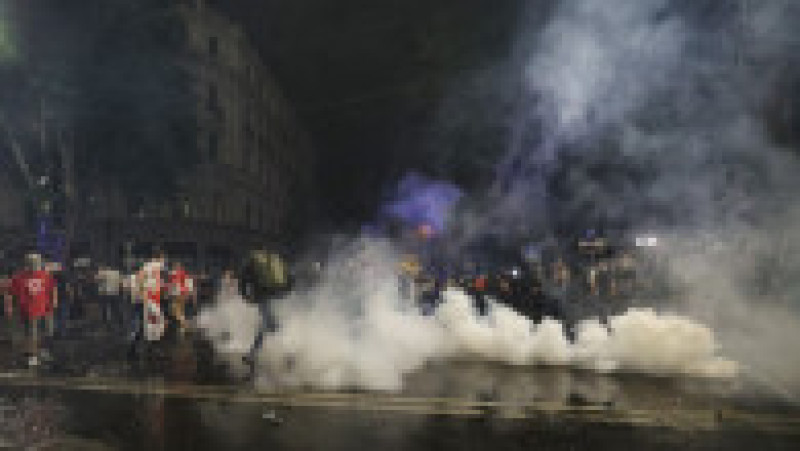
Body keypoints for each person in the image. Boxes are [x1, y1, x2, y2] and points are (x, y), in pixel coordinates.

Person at [9, 253, 58, 367]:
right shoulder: (19, 277)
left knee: (47, 331)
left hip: (45, 308)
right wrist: (11, 306)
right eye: (32, 262)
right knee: (32, 333)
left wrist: (54, 301)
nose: (34, 265)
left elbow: (53, 288)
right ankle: (32, 356)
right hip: (29, 310)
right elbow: (12, 292)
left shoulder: (45, 275)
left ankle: (44, 352)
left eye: (35, 262)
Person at [167, 262, 194, 333]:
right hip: (183, 295)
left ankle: (185, 325)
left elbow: (172, 286)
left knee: (175, 311)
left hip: (178, 295)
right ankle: (184, 327)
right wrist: (189, 293)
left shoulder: (173, 274)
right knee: (179, 312)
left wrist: (171, 293)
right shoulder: (185, 274)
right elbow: (189, 284)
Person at [96, 264, 123, 330]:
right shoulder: (117, 273)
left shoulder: (102, 272)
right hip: (115, 293)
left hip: (105, 293)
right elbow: (121, 283)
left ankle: (105, 323)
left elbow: (97, 280)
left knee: (104, 309)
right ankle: (119, 321)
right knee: (115, 308)